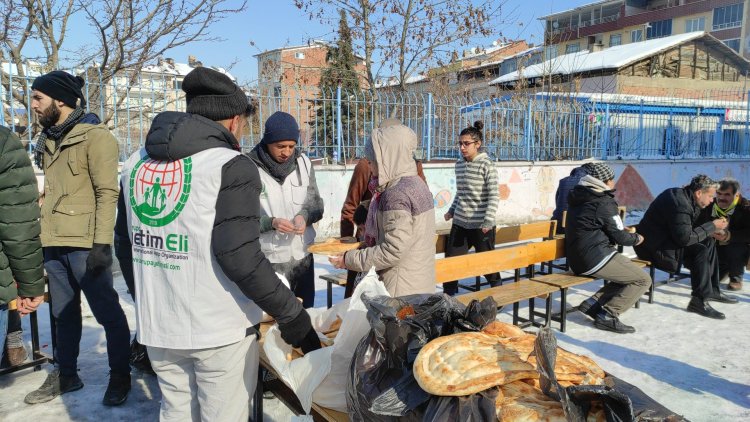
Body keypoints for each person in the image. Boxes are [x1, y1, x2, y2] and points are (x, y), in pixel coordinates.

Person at [115, 67, 320, 421]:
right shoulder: (230, 164)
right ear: (233, 121)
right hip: (218, 331)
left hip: (160, 326)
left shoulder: (135, 163)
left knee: (176, 411)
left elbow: (125, 244)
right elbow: (240, 257)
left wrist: (150, 298)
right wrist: (292, 314)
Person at [25, 71, 131, 406]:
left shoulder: (96, 138)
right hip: (54, 242)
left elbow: (106, 193)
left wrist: (101, 246)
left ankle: (120, 376)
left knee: (108, 313)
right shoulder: (50, 140)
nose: (33, 105)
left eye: (38, 98)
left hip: (86, 246)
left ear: (60, 100)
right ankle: (66, 375)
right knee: (62, 314)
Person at [329, 119, 435, 296]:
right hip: (418, 282)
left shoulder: (396, 194)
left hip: (398, 290)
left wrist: (349, 259)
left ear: (385, 158)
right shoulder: (416, 182)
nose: (368, 165)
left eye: (371, 161)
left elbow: (392, 250)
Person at [248, 111, 324, 309]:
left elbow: (317, 205)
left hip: (302, 259)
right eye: (280, 146)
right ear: (267, 142)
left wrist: (304, 216)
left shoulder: (304, 164)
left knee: (305, 315)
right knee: (272, 320)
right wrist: (270, 223)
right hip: (268, 260)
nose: (287, 152)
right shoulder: (248, 167)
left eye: (291, 146)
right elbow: (241, 219)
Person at [635, 174, 738, 320]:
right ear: (698, 193)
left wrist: (712, 229)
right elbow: (685, 238)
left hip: (666, 241)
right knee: (700, 250)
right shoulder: (680, 203)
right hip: (652, 248)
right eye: (710, 196)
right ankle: (698, 301)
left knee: (707, 241)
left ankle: (713, 289)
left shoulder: (686, 197)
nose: (711, 201)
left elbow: (686, 229)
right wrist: (712, 226)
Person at [565, 163, 651, 334]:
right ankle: (608, 315)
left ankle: (592, 303)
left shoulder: (579, 196)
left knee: (626, 276)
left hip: (577, 258)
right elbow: (621, 238)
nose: (614, 182)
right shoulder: (603, 201)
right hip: (595, 257)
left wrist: (616, 230)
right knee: (642, 280)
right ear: (605, 181)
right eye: (612, 179)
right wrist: (637, 238)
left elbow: (593, 225)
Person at [339, 157, 426, 298]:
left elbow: (422, 205)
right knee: (354, 302)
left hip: (401, 249)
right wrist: (348, 247)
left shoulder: (413, 165)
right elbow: (350, 207)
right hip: (366, 246)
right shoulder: (367, 165)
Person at [0, 125, 45, 366]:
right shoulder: (3, 142)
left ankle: (14, 343)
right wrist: (30, 286)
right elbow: (17, 226)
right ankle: (15, 343)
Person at [442, 121, 500, 296]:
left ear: (478, 144)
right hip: (460, 223)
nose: (462, 147)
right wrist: (452, 210)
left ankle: (499, 293)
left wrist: (488, 220)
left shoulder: (486, 165)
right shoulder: (459, 165)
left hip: (481, 225)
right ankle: (448, 297)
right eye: (460, 143)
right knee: (451, 263)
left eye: (466, 143)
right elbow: (460, 193)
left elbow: (493, 194)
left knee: (487, 264)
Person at [701, 178, 750, 291]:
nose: (722, 198)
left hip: (737, 248)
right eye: (719, 194)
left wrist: (729, 235)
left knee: (735, 246)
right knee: (711, 279)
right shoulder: (709, 204)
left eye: (727, 194)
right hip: (716, 247)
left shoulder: (746, 208)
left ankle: (735, 278)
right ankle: (722, 270)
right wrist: (710, 231)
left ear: (736, 194)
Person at [552, 166, 589, 234]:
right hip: (574, 226)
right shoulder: (587, 182)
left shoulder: (563, 181)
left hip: (558, 221)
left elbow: (557, 199)